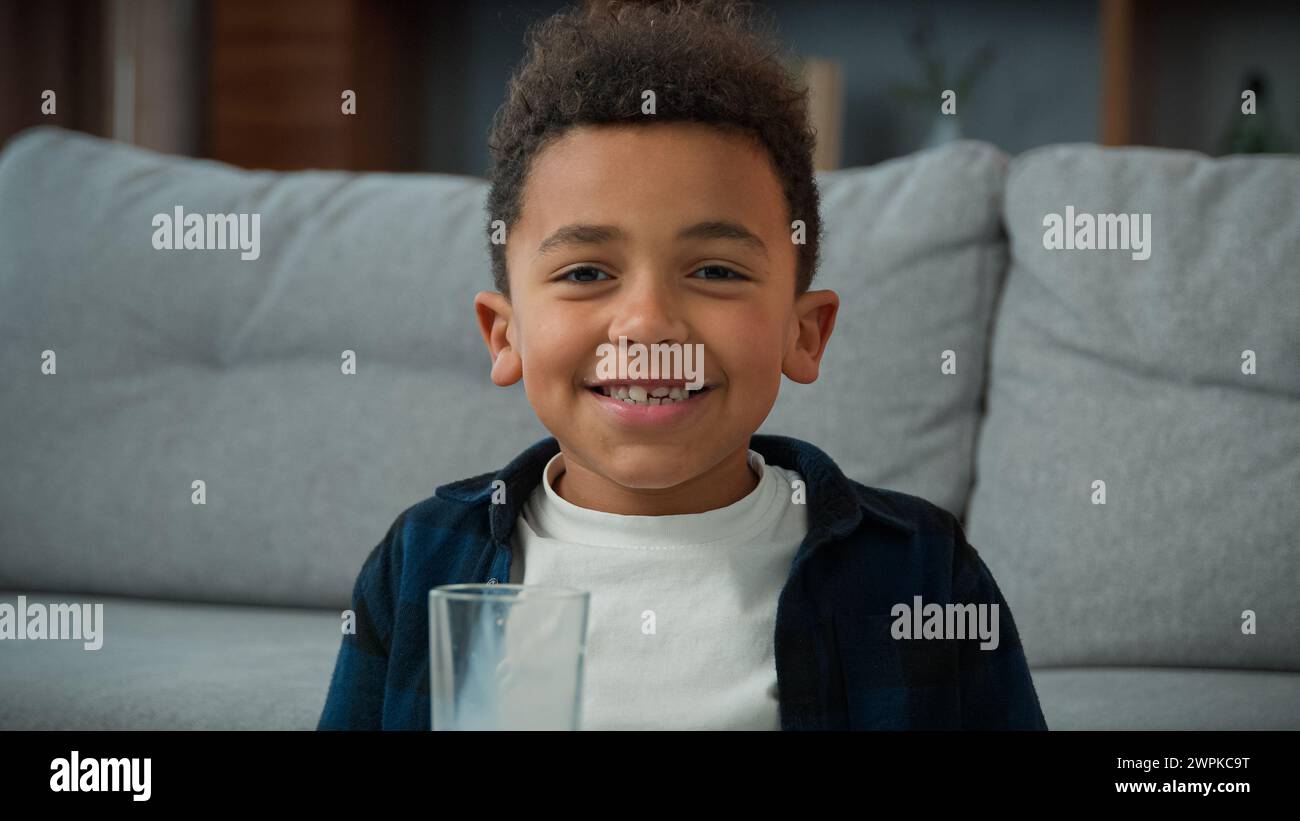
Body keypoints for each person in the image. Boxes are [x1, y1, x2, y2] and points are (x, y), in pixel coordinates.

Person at [318, 0, 1047, 731]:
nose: (647, 322)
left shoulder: (923, 574)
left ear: (806, 333)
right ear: (503, 336)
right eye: (584, 273)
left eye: (717, 271)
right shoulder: (420, 564)